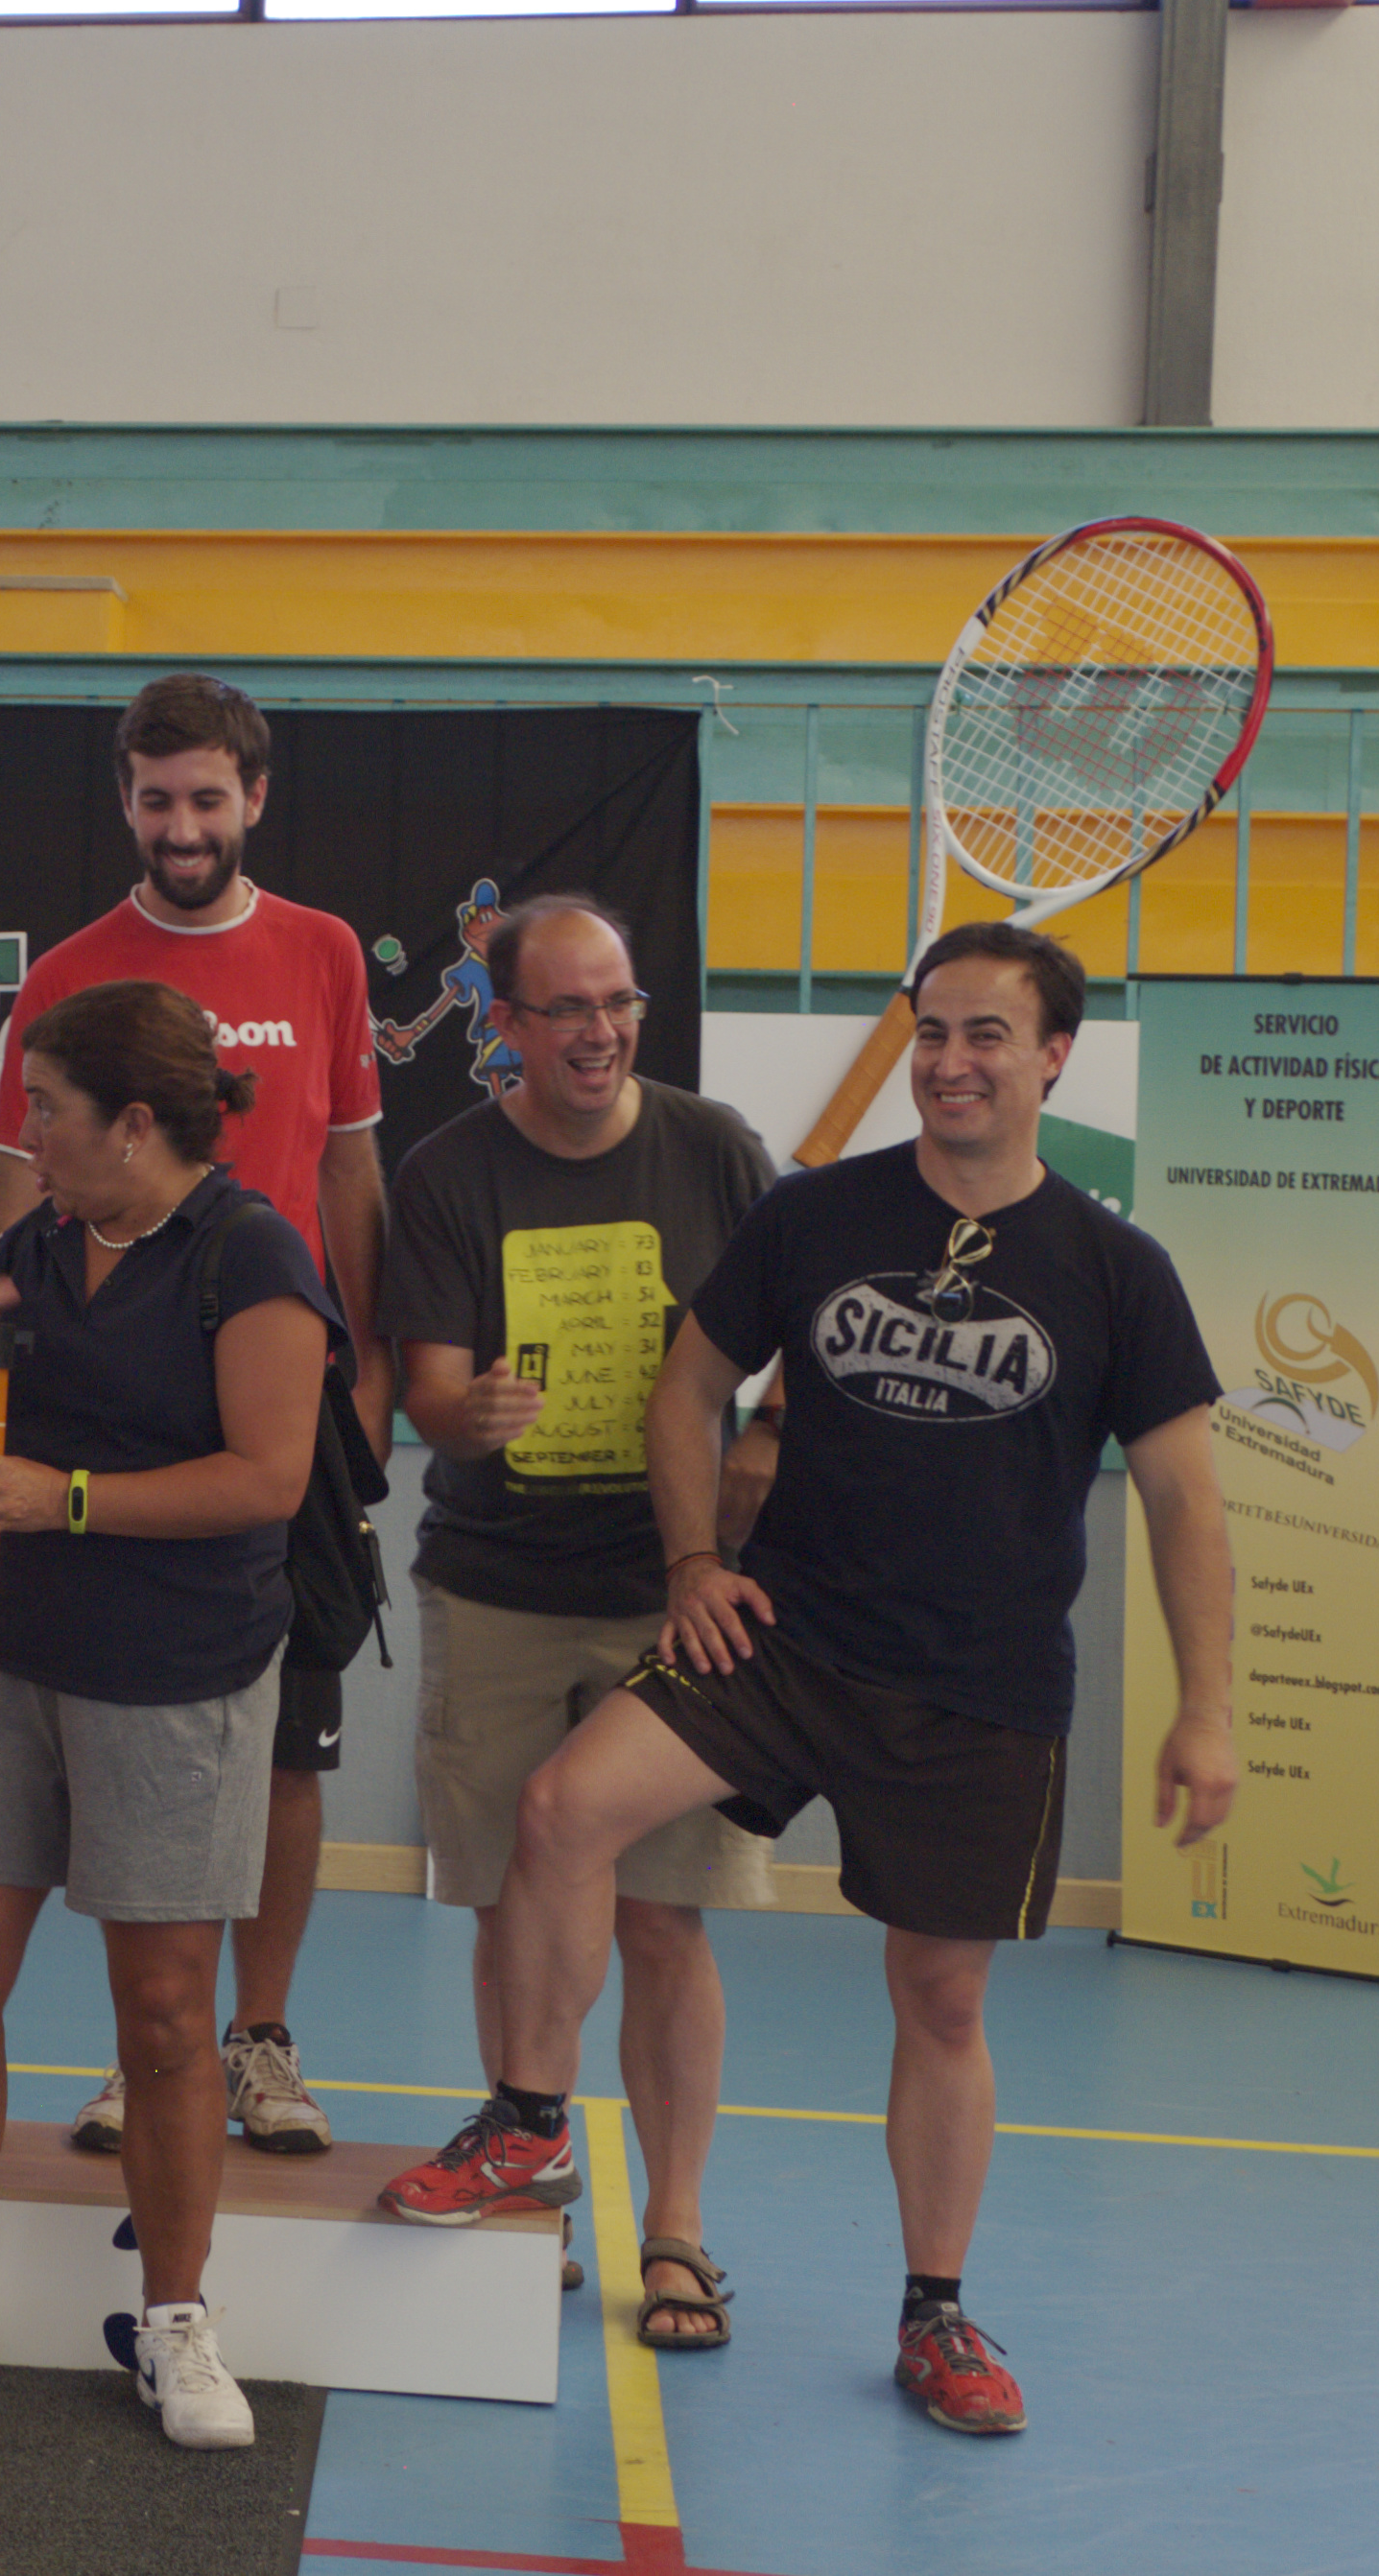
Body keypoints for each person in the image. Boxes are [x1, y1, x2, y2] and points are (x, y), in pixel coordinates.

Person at [386, 923, 1240, 2442]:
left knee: (942, 1996)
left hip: (979, 1690)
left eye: (987, 1036)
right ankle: (531, 2123)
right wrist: (694, 1562)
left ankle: (936, 2313)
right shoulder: (816, 1215)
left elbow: (1184, 1499)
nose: (952, 1063)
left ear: (1054, 1058)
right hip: (782, 1642)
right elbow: (690, 1388)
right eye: (932, 1033)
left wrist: (1210, 1705)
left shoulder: (1119, 1270)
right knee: (563, 1811)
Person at [0, 981, 335, 2450]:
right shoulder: (32, 1250)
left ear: (133, 1122)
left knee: (167, 2016)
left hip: (180, 1682)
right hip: (3, 1668)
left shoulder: (251, 1255)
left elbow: (268, 1478)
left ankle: (177, 2320)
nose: (25, 1132)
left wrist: (62, 1499)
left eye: (46, 1107)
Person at [369, 896, 782, 2346]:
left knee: (664, 1921)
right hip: (496, 1592)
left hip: (676, 1602)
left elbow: (806, 1319)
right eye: (568, 1010)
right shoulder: (445, 1173)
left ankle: (677, 2233)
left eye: (620, 1003)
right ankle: (528, 2191)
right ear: (508, 1026)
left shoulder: (716, 1149)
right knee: (511, 1902)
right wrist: (463, 1412)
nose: (601, 1033)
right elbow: (427, 1387)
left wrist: (769, 1438)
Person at [0, 673, 385, 2159]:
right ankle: (145, 2055)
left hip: (282, 1414)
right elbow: (26, 1194)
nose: (182, 827)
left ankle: (258, 2039)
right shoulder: (72, 970)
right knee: (119, 1739)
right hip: (119, 1420)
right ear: (126, 801)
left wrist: (371, 1370)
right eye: (156, 800)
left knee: (284, 1746)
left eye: (207, 799)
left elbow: (350, 1171)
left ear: (253, 800)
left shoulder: (323, 951)